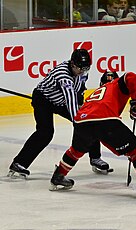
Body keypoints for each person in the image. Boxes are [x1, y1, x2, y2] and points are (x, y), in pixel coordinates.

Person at [49, 71, 136, 200]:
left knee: (76, 150)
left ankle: (58, 176)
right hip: (105, 119)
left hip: (81, 120)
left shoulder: (97, 91)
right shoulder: (117, 84)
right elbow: (132, 77)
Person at [7, 49, 110, 179]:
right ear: (72, 64)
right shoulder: (63, 76)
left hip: (60, 101)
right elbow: (70, 99)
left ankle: (95, 158)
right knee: (45, 132)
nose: (83, 71)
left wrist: (83, 114)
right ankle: (19, 163)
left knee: (89, 121)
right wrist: (79, 121)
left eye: (86, 68)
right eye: (80, 68)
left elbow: (79, 90)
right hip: (43, 100)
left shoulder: (82, 71)